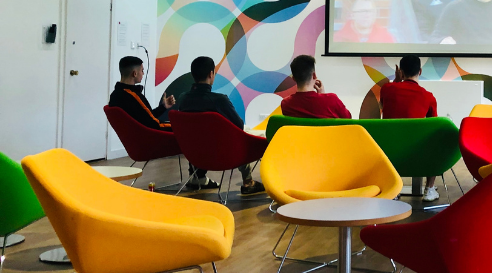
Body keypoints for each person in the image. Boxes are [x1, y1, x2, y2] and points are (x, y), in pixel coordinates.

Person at [176, 56, 265, 195]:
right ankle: (248, 182)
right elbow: (239, 126)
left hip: (195, 153)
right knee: (250, 134)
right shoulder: (220, 100)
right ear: (211, 74)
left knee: (198, 134)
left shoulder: (182, 99)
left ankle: (197, 177)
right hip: (223, 153)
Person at [379, 55, 440, 202]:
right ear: (420, 71)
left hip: (390, 153)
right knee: (438, 141)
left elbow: (382, 106)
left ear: (400, 71)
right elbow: (433, 125)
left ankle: (392, 189)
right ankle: (429, 189)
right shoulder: (428, 97)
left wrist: (396, 81)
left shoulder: (387, 89)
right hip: (418, 154)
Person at [108, 56, 175, 130]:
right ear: (135, 74)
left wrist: (163, 107)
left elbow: (145, 118)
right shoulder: (132, 97)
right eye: (142, 70)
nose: (143, 74)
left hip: (136, 138)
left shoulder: (115, 95)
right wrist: (179, 127)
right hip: (152, 137)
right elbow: (154, 125)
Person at [280, 55, 351, 119]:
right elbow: (348, 119)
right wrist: (323, 96)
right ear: (314, 75)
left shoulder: (286, 104)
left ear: (293, 79)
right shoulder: (332, 99)